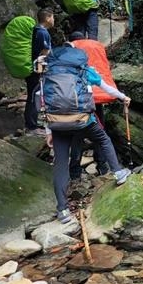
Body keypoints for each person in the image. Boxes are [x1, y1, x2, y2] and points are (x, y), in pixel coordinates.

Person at [40, 40, 132, 224]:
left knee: (60, 162)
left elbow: (42, 100)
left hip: (58, 123)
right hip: (83, 120)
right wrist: (123, 97)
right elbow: (105, 87)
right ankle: (118, 172)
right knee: (103, 139)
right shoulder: (83, 69)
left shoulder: (48, 72)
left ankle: (63, 210)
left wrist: (48, 130)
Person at [67, 32, 119, 179]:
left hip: (79, 101)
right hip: (98, 96)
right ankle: (102, 166)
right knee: (100, 132)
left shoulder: (71, 49)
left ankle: (75, 172)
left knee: (76, 136)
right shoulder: (96, 46)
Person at [25, 8, 54, 136]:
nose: (54, 20)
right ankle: (31, 126)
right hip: (37, 69)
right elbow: (44, 52)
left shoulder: (36, 30)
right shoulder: (42, 32)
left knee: (35, 94)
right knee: (33, 96)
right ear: (48, 18)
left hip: (35, 67)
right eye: (53, 17)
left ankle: (35, 123)